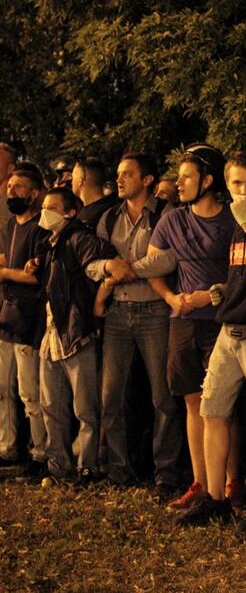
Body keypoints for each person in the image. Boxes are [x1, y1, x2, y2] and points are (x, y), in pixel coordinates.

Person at [178, 151, 246, 526]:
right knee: (212, 410)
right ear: (226, 184)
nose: (244, 190)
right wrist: (223, 292)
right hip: (229, 327)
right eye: (237, 183)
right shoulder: (238, 222)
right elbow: (243, 272)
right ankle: (215, 497)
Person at [146, 144, 237, 510]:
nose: (178, 183)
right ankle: (200, 482)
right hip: (183, 322)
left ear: (208, 180)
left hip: (221, 321)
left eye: (186, 177)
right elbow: (153, 266)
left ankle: (230, 483)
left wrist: (210, 296)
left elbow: (245, 274)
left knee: (223, 404)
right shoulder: (172, 219)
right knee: (192, 400)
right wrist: (171, 297)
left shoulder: (231, 220)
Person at [84, 152, 180, 499]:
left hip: (155, 311)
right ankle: (119, 469)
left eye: (127, 174)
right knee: (111, 396)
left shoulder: (166, 213)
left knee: (163, 397)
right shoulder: (109, 217)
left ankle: (166, 473)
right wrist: (109, 268)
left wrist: (129, 269)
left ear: (148, 180)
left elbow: (170, 258)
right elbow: (91, 263)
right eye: (118, 173)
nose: (119, 179)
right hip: (118, 313)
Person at [30, 187, 117, 484]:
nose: (45, 212)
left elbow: (99, 269)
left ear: (70, 212)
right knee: (51, 407)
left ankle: (87, 466)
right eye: (44, 206)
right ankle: (58, 467)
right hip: (53, 334)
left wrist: (98, 301)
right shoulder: (49, 243)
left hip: (76, 334)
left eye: (52, 207)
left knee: (85, 409)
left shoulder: (80, 238)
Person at [0, 166, 49, 477]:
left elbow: (36, 277)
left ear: (34, 193)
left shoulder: (40, 229)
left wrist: (5, 273)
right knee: (3, 387)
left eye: (19, 187)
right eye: (10, 186)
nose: (11, 191)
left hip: (28, 319)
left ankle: (40, 452)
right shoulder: (9, 226)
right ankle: (7, 447)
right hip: (5, 316)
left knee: (30, 391)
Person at [73, 157, 118, 229]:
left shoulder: (90, 218)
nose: (71, 182)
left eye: (73, 178)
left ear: (80, 181)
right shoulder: (115, 208)